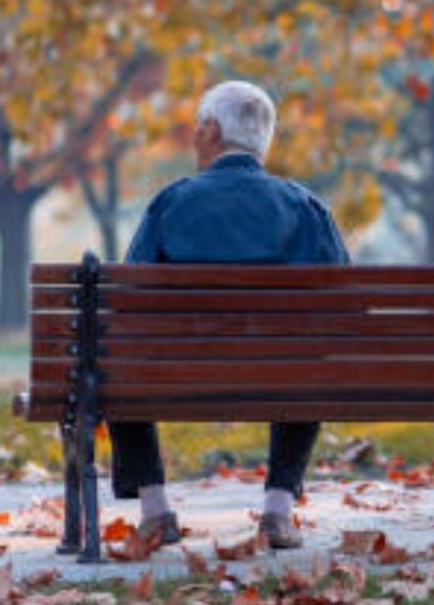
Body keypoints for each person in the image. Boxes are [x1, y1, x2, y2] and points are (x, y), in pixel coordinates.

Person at [110, 80, 348, 550]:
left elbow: (126, 304)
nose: (195, 136)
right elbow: (345, 306)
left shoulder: (171, 202)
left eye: (199, 127)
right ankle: (278, 511)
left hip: (174, 376)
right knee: (306, 363)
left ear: (213, 132)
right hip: (283, 375)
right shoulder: (305, 207)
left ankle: (156, 510)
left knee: (115, 363)